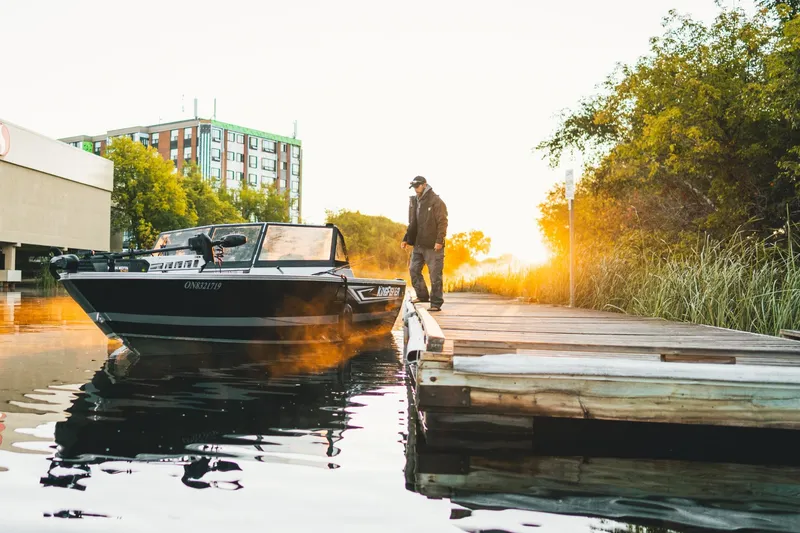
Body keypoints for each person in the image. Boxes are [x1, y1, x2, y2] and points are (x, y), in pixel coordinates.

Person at [401, 176, 448, 311]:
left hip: (433, 245)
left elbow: (443, 222)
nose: (416, 189)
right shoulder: (415, 201)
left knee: (435, 275)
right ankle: (422, 296)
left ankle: (436, 303)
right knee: (413, 270)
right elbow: (412, 223)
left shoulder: (436, 201)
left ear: (424, 185)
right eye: (414, 187)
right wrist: (406, 238)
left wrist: (439, 240)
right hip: (418, 244)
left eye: (417, 186)